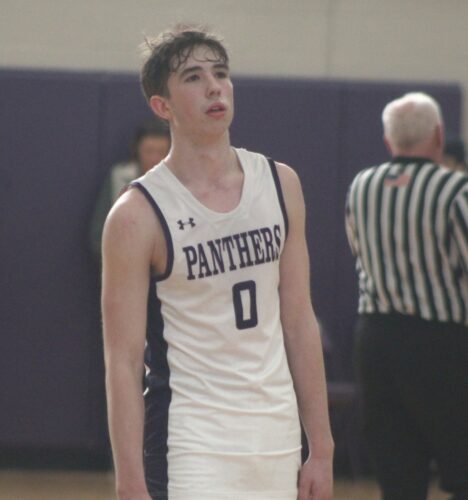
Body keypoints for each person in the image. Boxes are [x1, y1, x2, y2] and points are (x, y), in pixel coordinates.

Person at [101, 24, 334, 500]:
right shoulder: (136, 214)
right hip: (190, 441)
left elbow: (298, 320)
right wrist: (128, 480)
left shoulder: (280, 183)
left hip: (276, 437)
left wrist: (322, 447)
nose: (214, 86)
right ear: (162, 106)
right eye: (193, 77)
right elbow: (122, 360)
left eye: (221, 73)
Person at [345, 92, 468, 500]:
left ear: (388, 140)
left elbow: (358, 253)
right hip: (443, 344)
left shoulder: (361, 186)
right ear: (439, 135)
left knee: (398, 479)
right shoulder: (456, 189)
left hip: (374, 344)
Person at [89, 119, 171, 260]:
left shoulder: (178, 183)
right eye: (149, 151)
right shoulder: (119, 178)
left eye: (161, 152)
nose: (154, 159)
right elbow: (98, 234)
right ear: (137, 151)